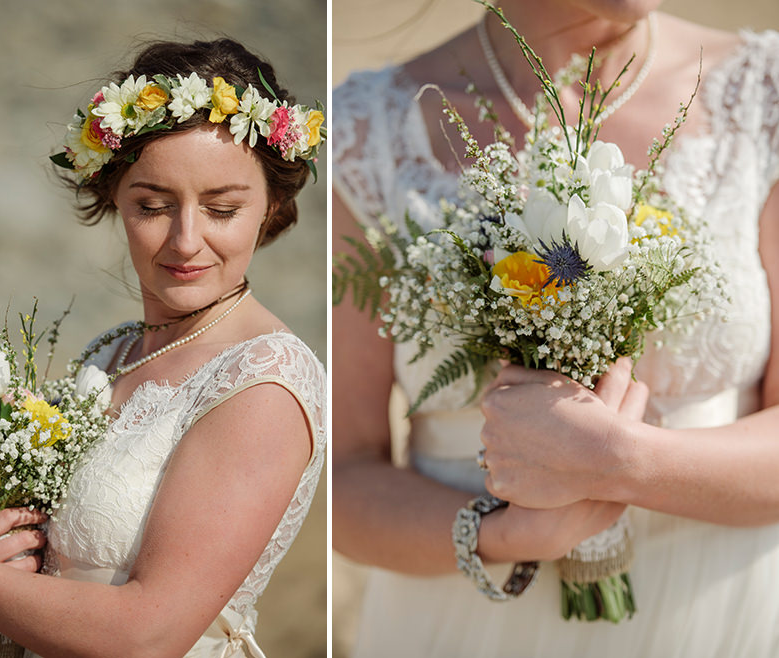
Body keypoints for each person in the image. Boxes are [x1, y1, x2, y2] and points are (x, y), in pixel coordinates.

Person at [333, 0, 779, 655]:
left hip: (714, 612)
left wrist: (619, 463)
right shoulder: (371, 130)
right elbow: (345, 474)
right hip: (464, 626)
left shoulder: (761, 93)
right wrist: (504, 536)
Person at [0, 37, 326, 658]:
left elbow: (147, 635)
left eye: (222, 208)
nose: (186, 241)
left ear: (272, 208)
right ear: (113, 199)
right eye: (153, 205)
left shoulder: (263, 381)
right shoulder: (112, 355)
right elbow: (10, 595)